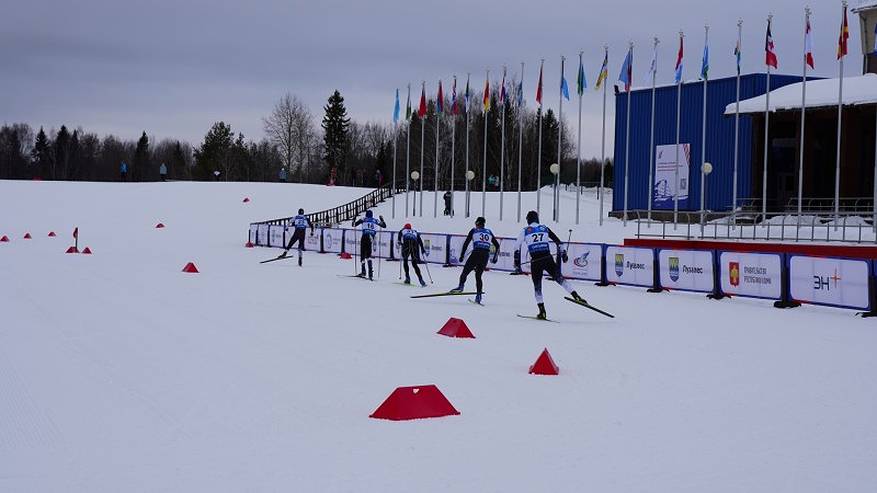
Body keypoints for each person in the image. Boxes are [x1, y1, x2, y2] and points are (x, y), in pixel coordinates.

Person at [514, 210, 584, 319]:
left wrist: (517, 262)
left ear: (528, 220)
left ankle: (542, 311)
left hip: (535, 261)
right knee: (560, 279)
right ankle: (576, 295)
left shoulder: (525, 230)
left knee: (537, 287)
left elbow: (516, 246)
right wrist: (564, 254)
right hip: (547, 258)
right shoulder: (544, 228)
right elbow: (559, 242)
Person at [450, 217, 499, 304]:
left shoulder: (474, 230)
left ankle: (460, 287)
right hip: (485, 255)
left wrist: (462, 255)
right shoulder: (489, 232)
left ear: (477, 223)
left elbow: (466, 243)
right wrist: (495, 257)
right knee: (478, 276)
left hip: (476, 253)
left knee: (465, 271)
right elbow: (497, 245)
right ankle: (478, 296)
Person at [351, 210, 386, 280]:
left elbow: (353, 225)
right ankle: (370, 273)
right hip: (371, 237)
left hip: (365, 236)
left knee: (362, 254)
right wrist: (382, 220)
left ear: (366, 214)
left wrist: (353, 219)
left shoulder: (363, 219)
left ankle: (363, 272)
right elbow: (384, 226)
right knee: (369, 255)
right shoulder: (375, 220)